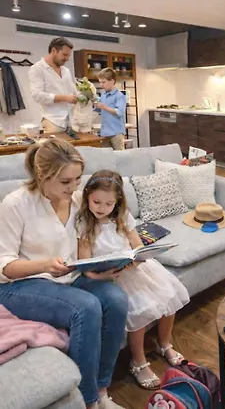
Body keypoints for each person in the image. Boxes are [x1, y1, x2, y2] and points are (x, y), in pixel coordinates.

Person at [0, 138, 128, 409]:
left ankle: (102, 390)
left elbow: (102, 228)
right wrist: (45, 265)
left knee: (116, 299)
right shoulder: (16, 204)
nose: (74, 187)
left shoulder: (79, 200)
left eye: (78, 179)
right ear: (42, 176)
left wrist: (98, 270)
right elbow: (5, 265)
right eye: (66, 182)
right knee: (86, 307)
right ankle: (88, 401)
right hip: (21, 284)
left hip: (69, 277)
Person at [77, 170, 190, 390]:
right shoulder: (85, 224)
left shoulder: (122, 217)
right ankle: (138, 361)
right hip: (109, 277)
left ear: (118, 201)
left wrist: (137, 260)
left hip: (133, 269)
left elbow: (137, 245)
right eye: (96, 202)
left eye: (109, 204)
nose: (101, 208)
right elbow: (85, 265)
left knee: (169, 294)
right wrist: (100, 276)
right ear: (87, 195)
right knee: (141, 310)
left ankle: (164, 343)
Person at [29, 37, 78, 133]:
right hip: (53, 122)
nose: (67, 59)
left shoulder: (66, 71)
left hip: (70, 122)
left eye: (68, 56)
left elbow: (73, 90)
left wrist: (87, 95)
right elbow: (37, 95)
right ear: (54, 51)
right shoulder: (37, 69)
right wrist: (64, 98)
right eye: (64, 55)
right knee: (54, 144)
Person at [94, 68, 126, 150]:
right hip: (105, 133)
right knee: (106, 155)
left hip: (116, 133)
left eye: (103, 82)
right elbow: (99, 110)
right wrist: (94, 104)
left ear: (112, 81)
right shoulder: (103, 95)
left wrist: (104, 107)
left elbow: (120, 112)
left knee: (120, 156)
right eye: (100, 82)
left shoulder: (120, 96)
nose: (101, 85)